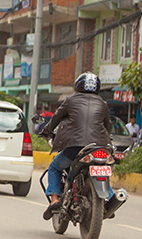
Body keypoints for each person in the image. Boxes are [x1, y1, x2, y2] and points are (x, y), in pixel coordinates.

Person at [40, 72, 112, 221]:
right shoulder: (102, 103)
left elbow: (56, 118)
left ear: (78, 85)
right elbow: (107, 126)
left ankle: (54, 200)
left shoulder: (71, 100)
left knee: (54, 167)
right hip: (98, 148)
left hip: (75, 149)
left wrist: (45, 131)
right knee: (102, 169)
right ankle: (111, 197)